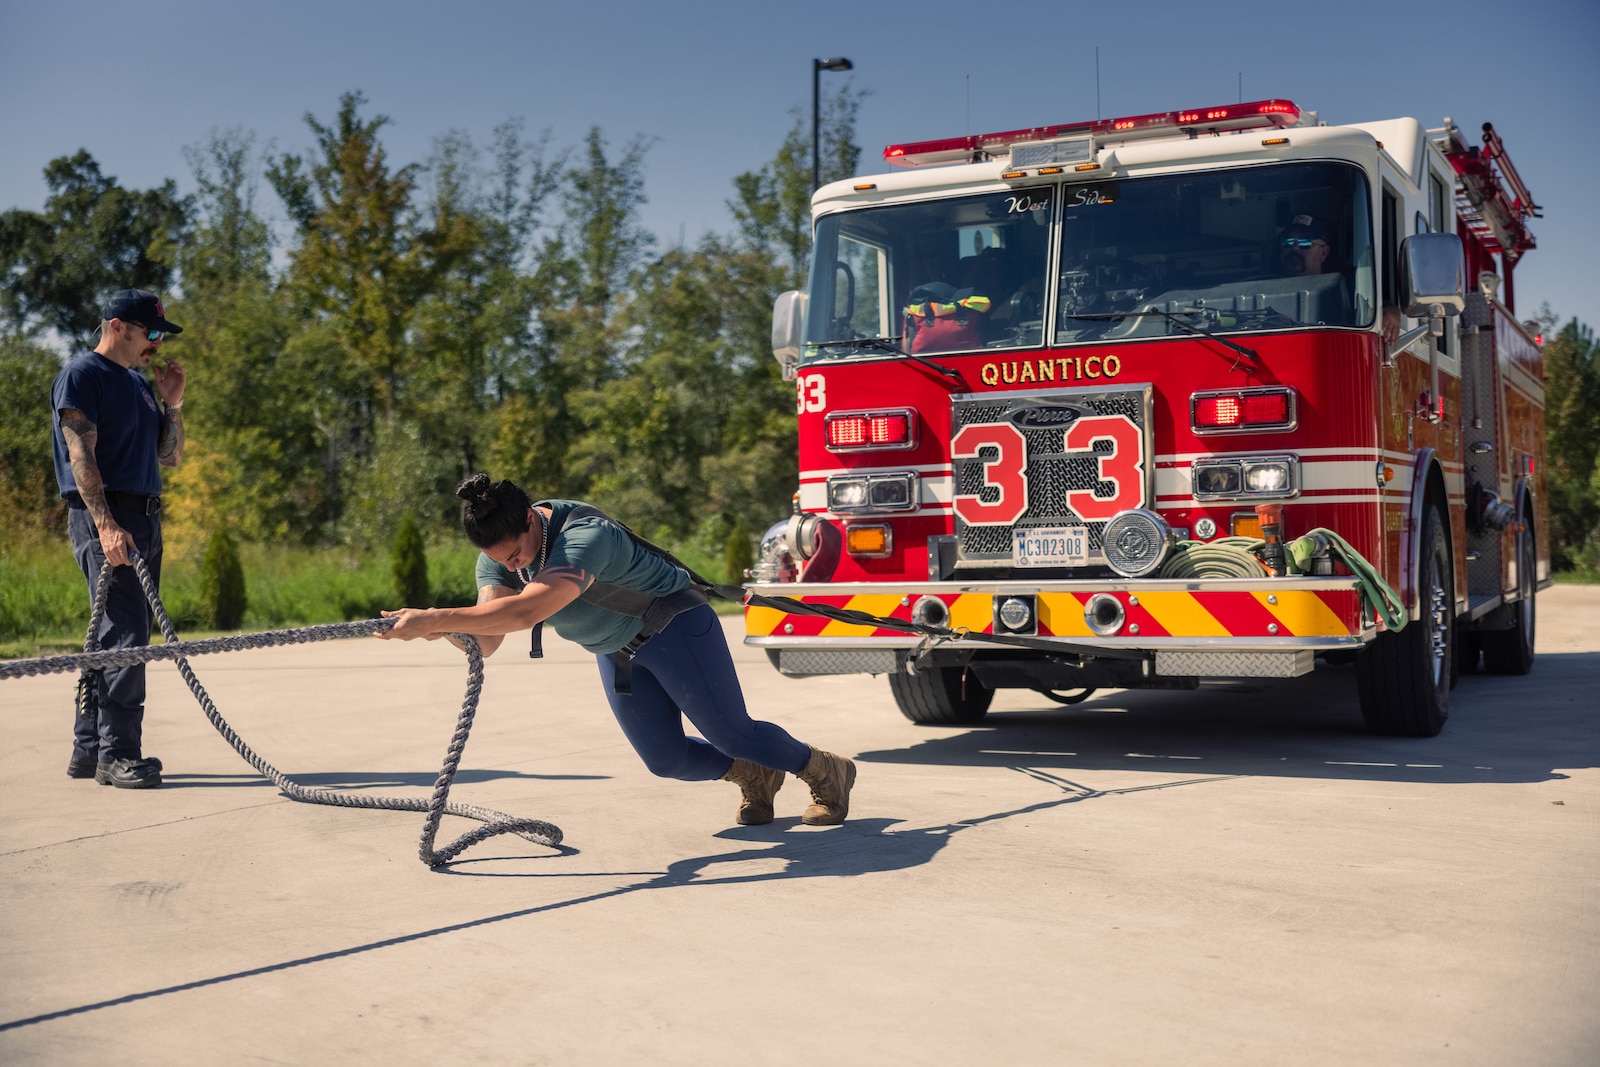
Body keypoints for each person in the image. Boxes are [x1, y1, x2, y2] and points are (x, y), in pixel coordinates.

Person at [377, 474, 858, 828]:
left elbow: (527, 612)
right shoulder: (499, 555)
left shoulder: (585, 537)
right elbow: (488, 637)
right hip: (617, 649)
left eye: (516, 555)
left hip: (675, 626)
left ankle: (825, 770)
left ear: (529, 519)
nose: (510, 565)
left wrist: (438, 616)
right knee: (664, 759)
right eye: (500, 561)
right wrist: (430, 630)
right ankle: (753, 775)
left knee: (732, 732)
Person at [52, 289, 186, 789]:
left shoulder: (137, 385)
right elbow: (79, 455)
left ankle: (89, 748)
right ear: (116, 327)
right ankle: (118, 754)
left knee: (113, 632)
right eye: (149, 332)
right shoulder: (82, 376)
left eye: (160, 335)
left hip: (145, 517)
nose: (155, 343)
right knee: (126, 636)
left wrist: (171, 404)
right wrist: (106, 524)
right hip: (107, 517)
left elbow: (169, 457)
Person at [1280, 214, 1400, 343]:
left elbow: (1368, 307)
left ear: (1323, 253)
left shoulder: (1348, 288)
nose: (1294, 248)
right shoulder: (1264, 289)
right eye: (1287, 242)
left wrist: (1390, 310)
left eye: (1305, 243)